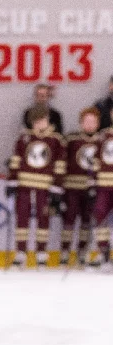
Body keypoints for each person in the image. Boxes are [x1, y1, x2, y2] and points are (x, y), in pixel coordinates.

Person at [7, 105, 65, 268]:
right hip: (24, 185)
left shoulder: (56, 140)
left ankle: (41, 252)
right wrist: (12, 182)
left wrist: (56, 188)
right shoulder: (23, 139)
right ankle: (21, 252)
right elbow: (16, 161)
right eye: (38, 121)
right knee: (22, 218)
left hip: (45, 187)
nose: (41, 124)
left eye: (44, 120)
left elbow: (60, 165)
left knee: (43, 218)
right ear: (32, 122)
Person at [62, 107, 101, 264]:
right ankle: (65, 251)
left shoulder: (102, 140)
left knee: (86, 220)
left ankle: (82, 250)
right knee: (69, 219)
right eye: (86, 121)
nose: (90, 125)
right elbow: (62, 161)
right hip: (72, 187)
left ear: (98, 123)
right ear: (81, 123)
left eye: (93, 122)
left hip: (92, 188)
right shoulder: (71, 140)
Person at [85, 120, 113, 267]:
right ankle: (103, 252)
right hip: (103, 186)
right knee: (100, 215)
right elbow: (95, 162)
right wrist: (91, 183)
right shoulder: (103, 136)